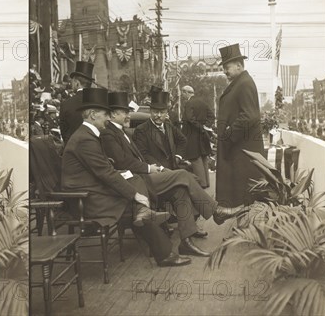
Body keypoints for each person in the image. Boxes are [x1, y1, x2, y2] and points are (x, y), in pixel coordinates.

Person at [62, 88, 191, 267]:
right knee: (136, 205)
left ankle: (159, 244)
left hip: (92, 190)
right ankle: (164, 252)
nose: (108, 118)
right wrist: (134, 195)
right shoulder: (85, 139)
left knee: (138, 196)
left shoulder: (87, 135)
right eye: (105, 114)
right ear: (92, 114)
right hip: (87, 199)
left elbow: (103, 168)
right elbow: (105, 172)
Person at [101, 92, 241, 256]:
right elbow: (123, 163)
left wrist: (163, 162)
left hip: (145, 175)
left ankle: (186, 242)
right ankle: (216, 211)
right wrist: (150, 168)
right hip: (136, 182)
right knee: (182, 175)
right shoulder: (109, 133)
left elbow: (137, 156)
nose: (128, 115)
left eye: (127, 112)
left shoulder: (121, 131)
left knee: (180, 191)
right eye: (124, 112)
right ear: (112, 114)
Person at [216, 44, 264, 208]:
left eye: (226, 67)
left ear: (238, 65)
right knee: (241, 196)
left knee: (245, 196)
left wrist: (229, 135)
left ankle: (245, 232)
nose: (225, 71)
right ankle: (242, 231)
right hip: (241, 151)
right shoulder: (240, 82)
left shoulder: (244, 84)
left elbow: (249, 116)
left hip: (244, 152)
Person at [133, 89, 188, 170]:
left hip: (174, 168)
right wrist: (161, 168)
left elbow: (183, 140)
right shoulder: (141, 129)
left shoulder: (169, 126)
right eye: (155, 112)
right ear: (150, 111)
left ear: (166, 113)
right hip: (157, 172)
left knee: (195, 179)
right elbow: (144, 154)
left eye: (162, 112)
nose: (158, 115)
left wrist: (178, 157)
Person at [181, 85, 215, 188]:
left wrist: (200, 127)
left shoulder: (189, 103)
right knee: (204, 157)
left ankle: (201, 184)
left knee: (195, 158)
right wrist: (205, 126)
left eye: (183, 93)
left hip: (192, 134)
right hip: (203, 135)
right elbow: (212, 116)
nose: (182, 95)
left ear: (187, 93)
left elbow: (190, 119)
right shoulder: (202, 102)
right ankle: (207, 182)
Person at [60, 61, 95, 144]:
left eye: (72, 81)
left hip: (73, 149)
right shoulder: (98, 102)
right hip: (95, 149)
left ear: (77, 83)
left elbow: (64, 133)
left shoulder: (66, 104)